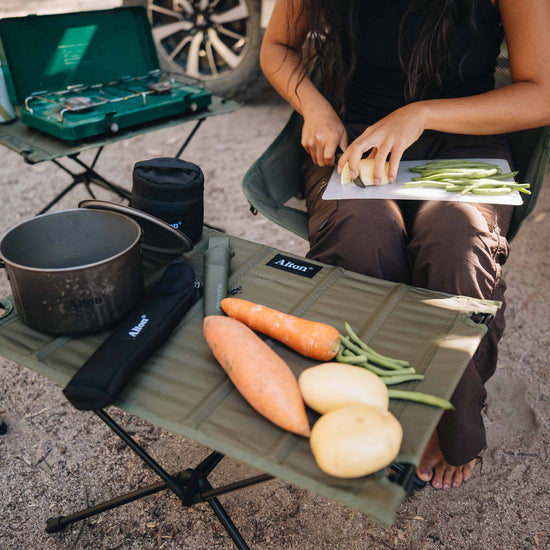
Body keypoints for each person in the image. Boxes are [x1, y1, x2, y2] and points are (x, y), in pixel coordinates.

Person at [260, 0, 550, 490]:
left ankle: (449, 421)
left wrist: (421, 114)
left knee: (458, 249)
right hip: (356, 137)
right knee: (362, 241)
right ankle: (368, 410)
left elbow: (541, 92)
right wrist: (315, 107)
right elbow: (276, 48)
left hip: (464, 136)